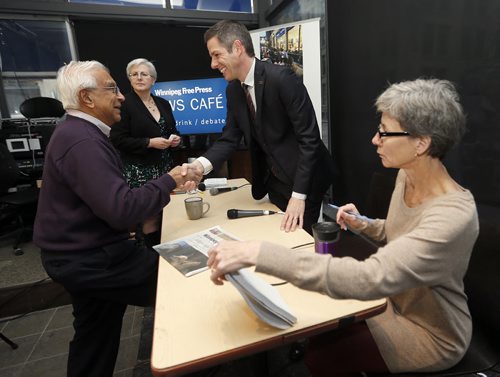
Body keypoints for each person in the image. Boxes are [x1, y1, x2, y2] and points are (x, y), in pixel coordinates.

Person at [206, 79, 479, 376]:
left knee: (322, 356)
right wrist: (365, 224)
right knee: (318, 330)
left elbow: (370, 277)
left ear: (421, 143)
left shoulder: (453, 215)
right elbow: (400, 234)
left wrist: (259, 253)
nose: (376, 139)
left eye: (385, 133)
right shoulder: (408, 175)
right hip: (389, 302)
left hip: (430, 334)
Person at [33, 60, 201, 377]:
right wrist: (170, 180)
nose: (120, 95)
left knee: (95, 336)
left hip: (76, 255)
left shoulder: (77, 132)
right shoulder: (82, 140)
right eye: (112, 88)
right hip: (91, 258)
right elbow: (121, 208)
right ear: (87, 98)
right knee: (181, 283)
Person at [182, 20, 334, 234]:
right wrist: (199, 166)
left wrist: (299, 196)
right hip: (274, 181)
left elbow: (309, 140)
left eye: (216, 55)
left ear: (237, 48)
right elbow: (229, 138)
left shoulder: (282, 79)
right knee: (279, 238)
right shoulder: (233, 90)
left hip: (305, 180)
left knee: (300, 243)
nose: (213, 64)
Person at [110, 58, 181, 245]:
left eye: (144, 74)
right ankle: (149, 257)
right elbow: (117, 139)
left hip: (165, 167)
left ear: (153, 80)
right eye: (134, 74)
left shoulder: (163, 103)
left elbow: (172, 130)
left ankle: (166, 253)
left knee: (168, 214)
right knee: (150, 216)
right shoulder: (123, 104)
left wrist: (175, 139)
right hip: (140, 170)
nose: (139, 77)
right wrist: (149, 143)